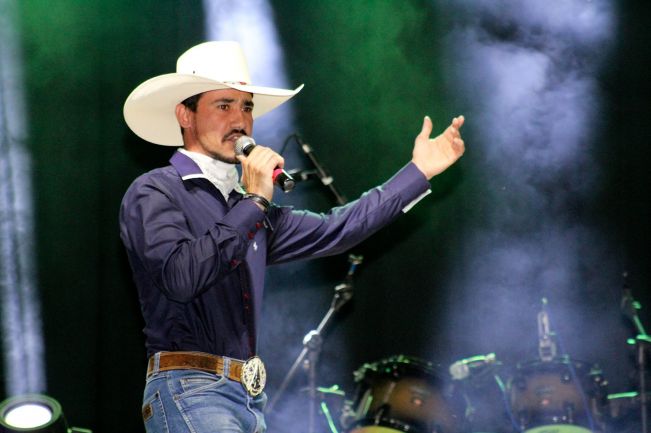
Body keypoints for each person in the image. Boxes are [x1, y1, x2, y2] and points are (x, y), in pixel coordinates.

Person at [120, 41, 465, 433]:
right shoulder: (156, 191)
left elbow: (338, 229)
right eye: (224, 106)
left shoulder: (249, 207)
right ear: (185, 114)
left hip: (247, 397)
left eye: (247, 106)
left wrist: (419, 172)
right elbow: (181, 278)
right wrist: (254, 201)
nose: (240, 119)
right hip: (189, 387)